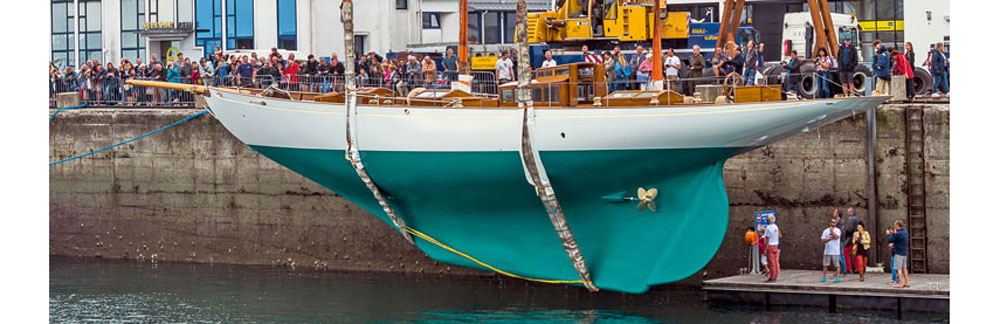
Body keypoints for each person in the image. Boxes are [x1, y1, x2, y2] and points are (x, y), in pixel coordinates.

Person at [886, 220, 910, 288]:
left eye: (895, 225)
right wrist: (893, 234)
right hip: (904, 253)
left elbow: (890, 240)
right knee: (904, 269)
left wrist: (888, 234)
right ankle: (907, 282)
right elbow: (898, 238)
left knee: (898, 269)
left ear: (897, 226)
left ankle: (900, 284)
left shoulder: (898, 234)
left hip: (898, 253)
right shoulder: (905, 232)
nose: (894, 226)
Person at [820, 217, 842, 283]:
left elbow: (836, 237)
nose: (833, 223)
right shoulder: (825, 231)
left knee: (837, 265)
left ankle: (838, 277)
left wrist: (832, 231)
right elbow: (823, 240)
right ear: (830, 222)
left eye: (835, 222)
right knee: (825, 264)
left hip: (835, 251)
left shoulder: (838, 230)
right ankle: (823, 276)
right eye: (832, 222)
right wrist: (830, 239)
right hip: (827, 251)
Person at [762, 214, 780, 282]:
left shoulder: (768, 228)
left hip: (770, 246)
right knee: (775, 262)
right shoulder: (775, 226)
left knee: (771, 263)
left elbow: (767, 239)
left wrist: (765, 250)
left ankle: (772, 277)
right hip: (776, 245)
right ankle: (776, 275)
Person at [841, 208, 860, 273]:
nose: (847, 213)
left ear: (851, 212)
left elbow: (850, 229)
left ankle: (848, 268)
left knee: (845, 251)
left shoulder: (851, 219)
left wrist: (844, 232)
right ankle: (858, 268)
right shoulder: (857, 219)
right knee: (855, 253)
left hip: (851, 238)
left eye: (848, 212)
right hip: (856, 237)